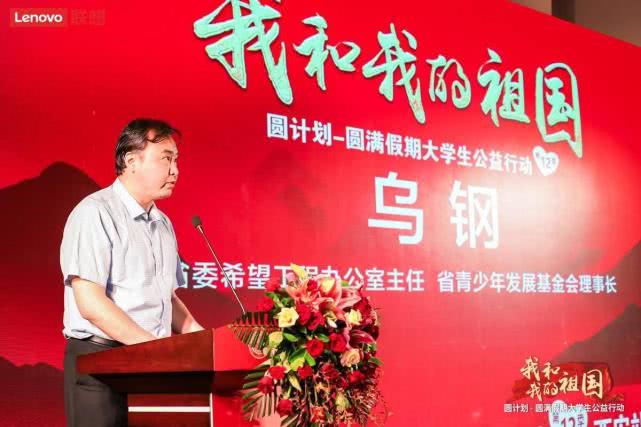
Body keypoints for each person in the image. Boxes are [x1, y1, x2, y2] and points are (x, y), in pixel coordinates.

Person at [60, 118, 204, 426]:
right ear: (131, 161)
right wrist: (154, 349)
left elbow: (167, 298)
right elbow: (91, 303)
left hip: (149, 367)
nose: (175, 170)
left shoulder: (163, 224)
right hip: (100, 367)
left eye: (176, 160)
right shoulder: (95, 213)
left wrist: (201, 338)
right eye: (166, 159)